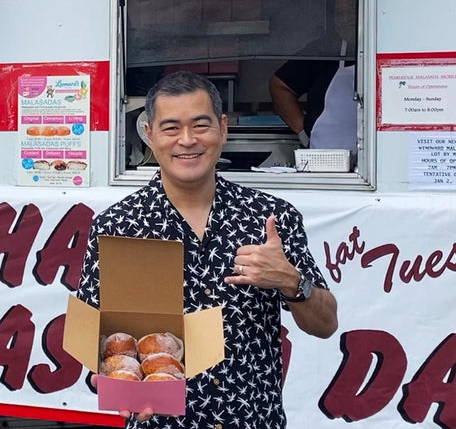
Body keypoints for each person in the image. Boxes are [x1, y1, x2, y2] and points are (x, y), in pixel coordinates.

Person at [77, 71, 337, 428]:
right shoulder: (117, 227)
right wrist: (111, 382)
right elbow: (99, 344)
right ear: (149, 135)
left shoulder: (268, 219)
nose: (187, 140)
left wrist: (292, 282)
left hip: (253, 420)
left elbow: (325, 324)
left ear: (223, 128)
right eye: (170, 128)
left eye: (201, 125)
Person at [269, 0, 358, 152]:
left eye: (352, 12)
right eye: (340, 14)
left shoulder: (383, 50)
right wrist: (304, 132)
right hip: (324, 159)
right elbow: (279, 86)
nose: (346, 20)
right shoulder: (324, 51)